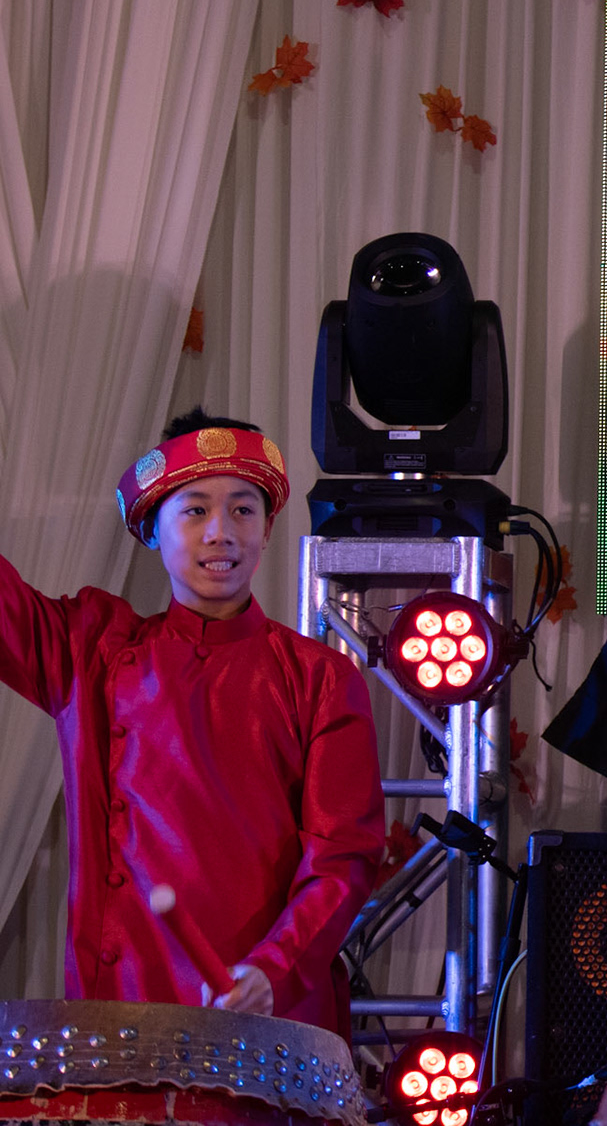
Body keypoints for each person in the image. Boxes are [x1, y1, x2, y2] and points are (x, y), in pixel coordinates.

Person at [0, 410, 385, 1037]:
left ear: (267, 529)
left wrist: (274, 970)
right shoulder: (92, 652)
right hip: (121, 1015)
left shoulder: (320, 677)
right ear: (153, 529)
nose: (221, 533)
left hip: (266, 1015)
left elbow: (343, 855)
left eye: (243, 510)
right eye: (196, 510)